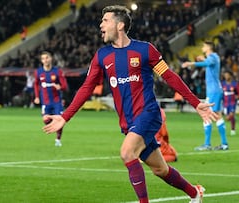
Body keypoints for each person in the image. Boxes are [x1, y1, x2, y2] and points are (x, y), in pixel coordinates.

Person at [43, 5, 219, 203]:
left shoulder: (145, 50)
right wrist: (65, 116)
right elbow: (86, 88)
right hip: (128, 123)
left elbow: (169, 76)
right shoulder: (101, 56)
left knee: (127, 152)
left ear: (120, 25)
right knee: (160, 169)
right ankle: (195, 193)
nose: (100, 25)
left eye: (105, 20)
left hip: (148, 113)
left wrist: (195, 103)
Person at [182, 40, 229, 151]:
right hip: (214, 90)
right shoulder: (213, 57)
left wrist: (191, 63)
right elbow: (209, 63)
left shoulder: (213, 56)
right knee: (217, 115)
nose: (202, 48)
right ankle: (224, 144)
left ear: (209, 47)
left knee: (206, 114)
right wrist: (204, 59)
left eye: (204, 46)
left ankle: (207, 144)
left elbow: (208, 63)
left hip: (214, 91)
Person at [34, 51, 68, 147]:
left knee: (60, 120)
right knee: (45, 120)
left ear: (51, 58)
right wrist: (36, 97)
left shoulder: (57, 71)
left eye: (47, 58)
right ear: (41, 61)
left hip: (57, 101)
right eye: (43, 58)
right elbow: (36, 84)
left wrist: (60, 87)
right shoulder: (38, 72)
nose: (45, 60)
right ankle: (53, 124)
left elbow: (65, 86)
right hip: (46, 101)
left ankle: (58, 139)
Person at [221, 70, 239, 136]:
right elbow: (220, 93)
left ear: (230, 76)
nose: (226, 76)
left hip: (232, 103)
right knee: (227, 118)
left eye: (227, 75)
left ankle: (233, 129)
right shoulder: (222, 84)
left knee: (231, 115)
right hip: (225, 103)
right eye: (225, 75)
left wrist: (238, 96)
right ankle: (233, 120)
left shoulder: (235, 84)